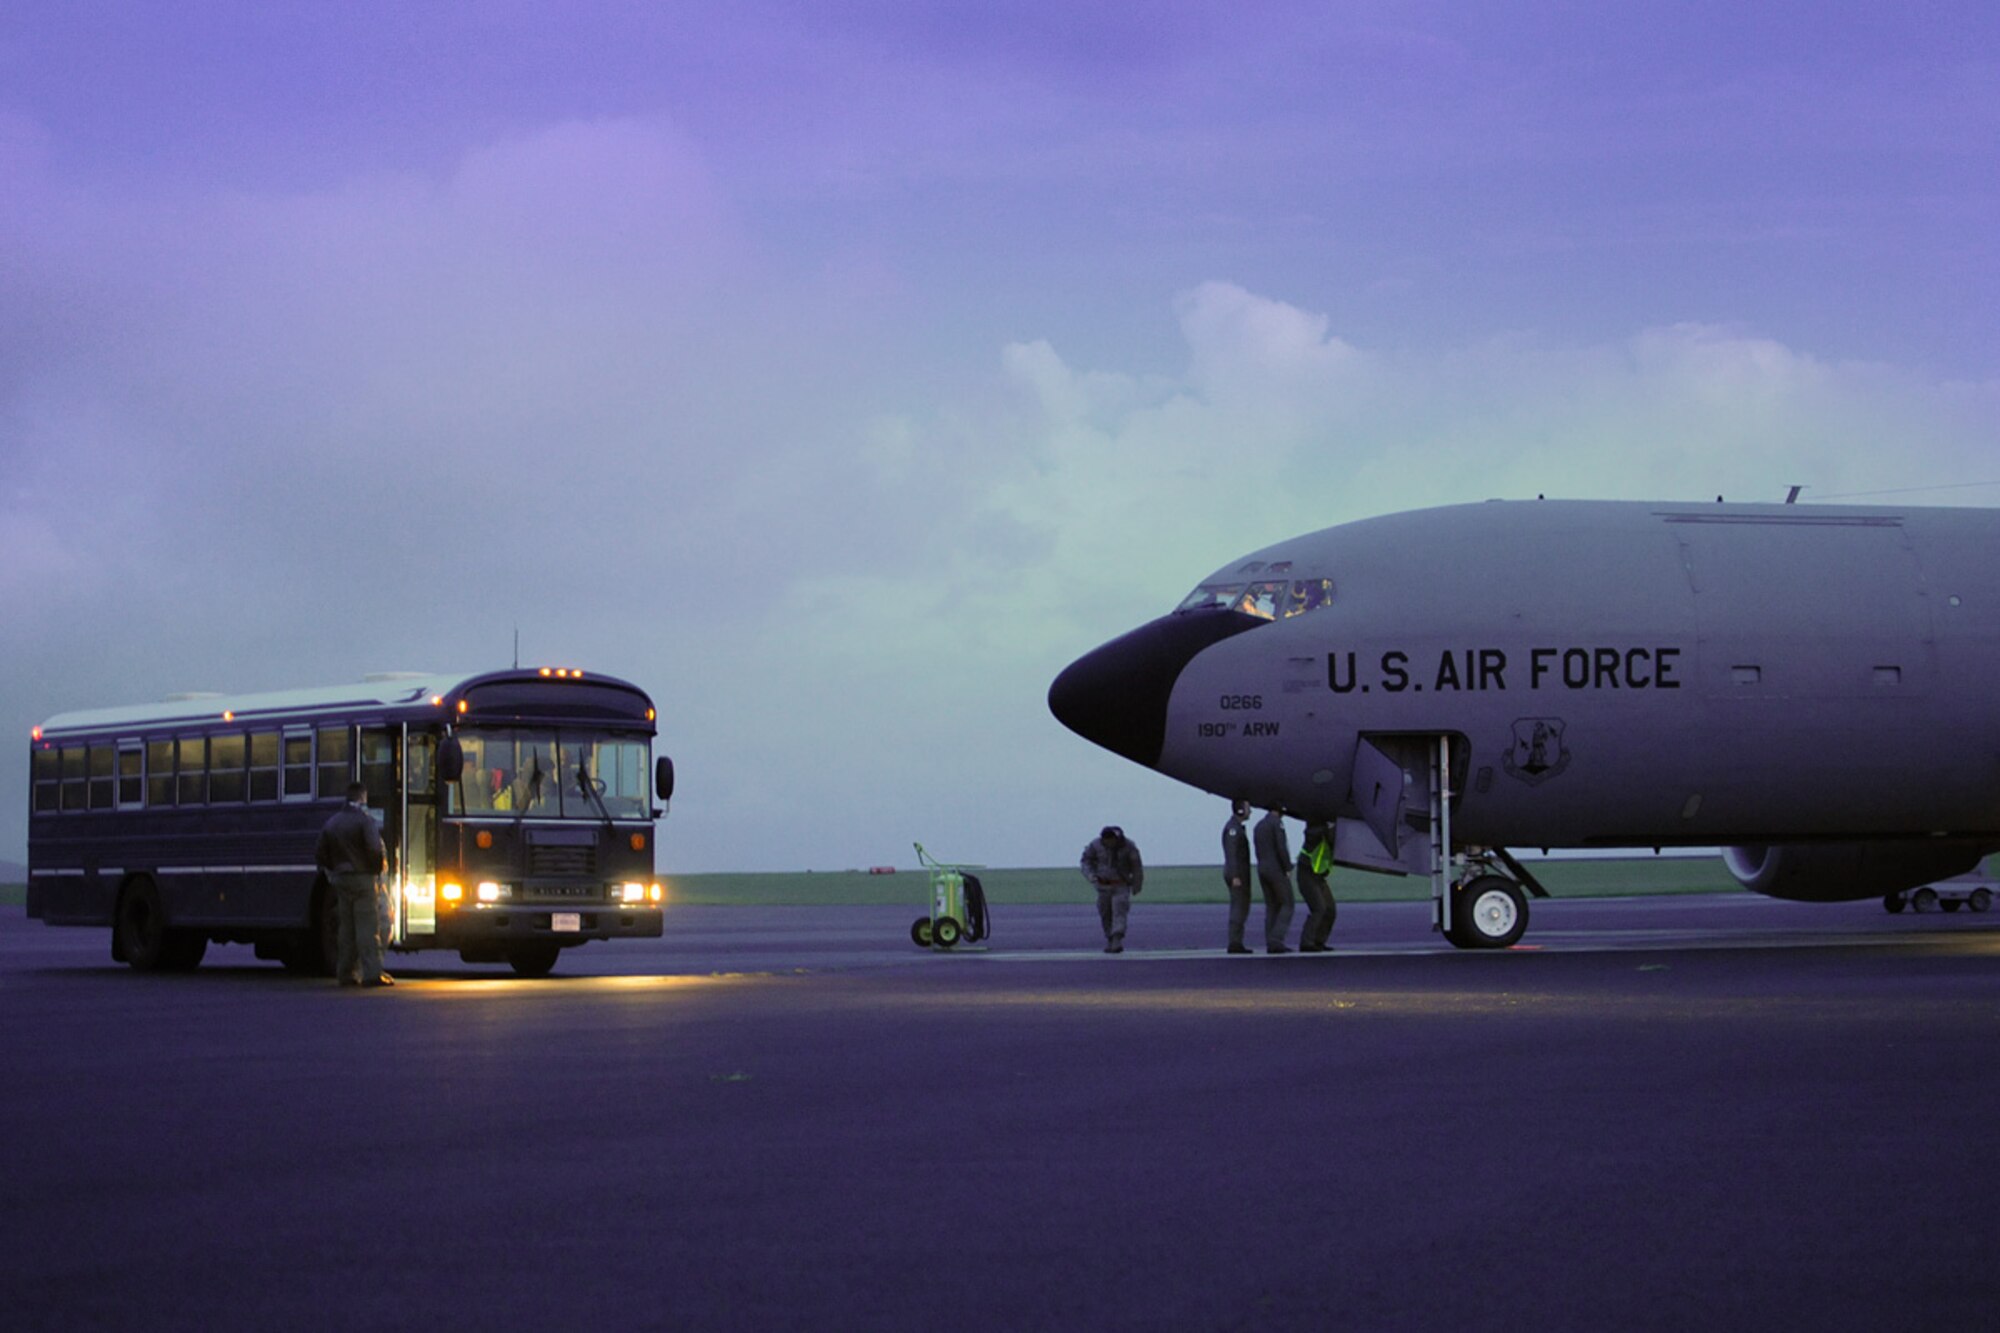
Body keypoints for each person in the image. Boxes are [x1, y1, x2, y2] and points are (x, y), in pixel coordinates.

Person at [316, 780, 391, 987]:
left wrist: (336, 868)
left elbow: (320, 852)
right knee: (368, 928)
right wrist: (375, 872)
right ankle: (372, 973)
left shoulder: (333, 822)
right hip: (362, 878)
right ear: (362, 798)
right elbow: (375, 849)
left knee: (346, 929)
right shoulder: (364, 821)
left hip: (341, 878)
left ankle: (345, 973)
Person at [1080, 825, 1144, 953]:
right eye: (1106, 839)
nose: (1110, 842)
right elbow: (1085, 861)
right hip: (1103, 886)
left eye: (1112, 839)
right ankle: (1109, 938)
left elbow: (1136, 866)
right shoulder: (1095, 846)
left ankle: (1117, 939)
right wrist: (1090, 875)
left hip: (1121, 886)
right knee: (1105, 913)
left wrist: (1137, 884)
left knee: (1119, 912)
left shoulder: (1129, 846)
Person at [1253, 808, 1295, 953]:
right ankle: (1276, 939)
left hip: (1262, 868)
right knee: (1287, 903)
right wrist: (1287, 867)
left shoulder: (1259, 825)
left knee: (1271, 905)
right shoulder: (1277, 824)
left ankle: (1270, 940)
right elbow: (1281, 847)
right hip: (1275, 869)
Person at [1296, 818, 1337, 951]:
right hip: (1307, 874)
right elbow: (1321, 835)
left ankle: (1319, 941)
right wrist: (1330, 828)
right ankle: (1306, 942)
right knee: (1319, 908)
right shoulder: (1314, 833)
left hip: (1318, 876)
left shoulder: (1325, 833)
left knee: (1330, 909)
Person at [1221, 801, 1254, 953]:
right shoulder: (1233, 829)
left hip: (1239, 873)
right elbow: (1232, 853)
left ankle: (1237, 941)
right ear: (1240, 810)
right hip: (1237, 874)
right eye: (1248, 809)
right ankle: (1234, 943)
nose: (1250, 812)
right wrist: (1235, 875)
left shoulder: (1235, 827)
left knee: (1241, 906)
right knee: (1238, 907)